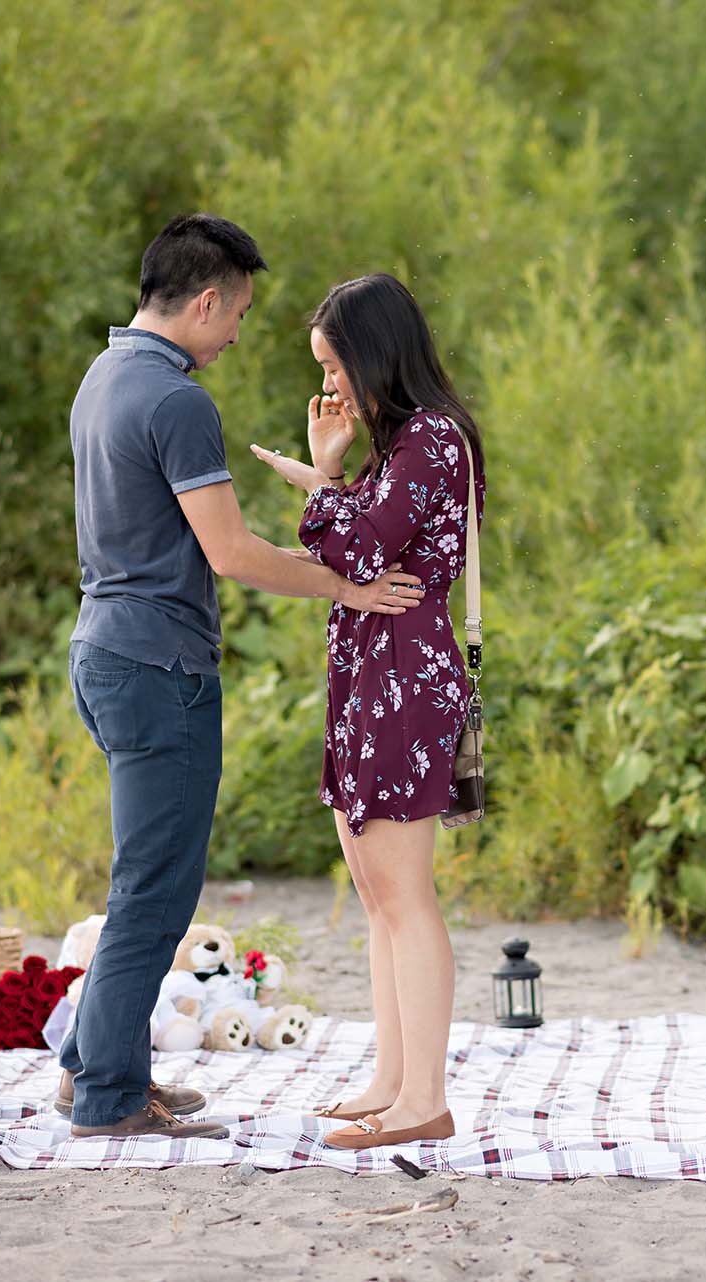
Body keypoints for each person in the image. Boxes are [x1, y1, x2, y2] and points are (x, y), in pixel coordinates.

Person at [58, 218, 426, 1139]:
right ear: (207, 299)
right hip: (158, 664)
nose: (236, 335)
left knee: (140, 877)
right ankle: (107, 1096)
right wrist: (350, 585)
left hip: (100, 648)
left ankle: (92, 1068)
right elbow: (230, 551)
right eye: (241, 315)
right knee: (156, 887)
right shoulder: (175, 402)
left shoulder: (103, 378)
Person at [248, 272, 486, 1151]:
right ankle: (393, 1079)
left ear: (375, 350)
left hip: (404, 677)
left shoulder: (432, 441)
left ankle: (423, 1098)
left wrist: (322, 477)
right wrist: (335, 479)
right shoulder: (406, 446)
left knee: (403, 894)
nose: (331, 383)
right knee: (376, 893)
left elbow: (350, 543)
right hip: (371, 670)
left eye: (335, 364)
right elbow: (352, 550)